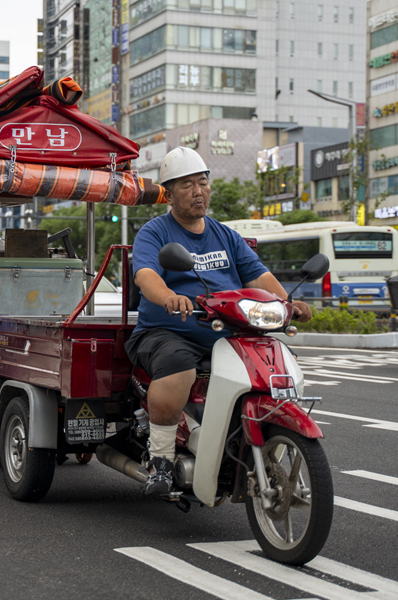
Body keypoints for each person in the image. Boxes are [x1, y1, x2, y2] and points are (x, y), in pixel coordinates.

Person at [126, 147, 313, 496]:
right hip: (166, 330)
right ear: (168, 193)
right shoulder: (154, 233)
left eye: (203, 182)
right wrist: (169, 297)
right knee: (179, 367)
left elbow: (257, 276)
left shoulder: (226, 235)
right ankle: (162, 461)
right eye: (186, 185)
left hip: (226, 331)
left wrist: (287, 301)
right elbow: (146, 275)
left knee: (277, 361)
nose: (198, 191)